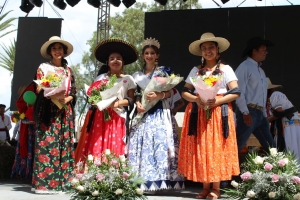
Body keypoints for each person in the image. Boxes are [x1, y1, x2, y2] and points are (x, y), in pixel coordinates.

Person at [178, 32, 240, 199]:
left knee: (216, 147)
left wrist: (217, 101)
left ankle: (216, 188)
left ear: (217, 50)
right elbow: (185, 92)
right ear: (201, 52)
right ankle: (205, 187)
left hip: (218, 112)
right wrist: (197, 99)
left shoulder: (225, 69)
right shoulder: (196, 70)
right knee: (203, 148)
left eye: (211, 47)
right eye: (204, 48)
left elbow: (236, 92)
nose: (208, 51)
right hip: (199, 113)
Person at [128, 37, 185, 191]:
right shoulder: (137, 75)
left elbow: (172, 93)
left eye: (152, 53)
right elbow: (137, 94)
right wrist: (138, 103)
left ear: (157, 55)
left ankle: (163, 181)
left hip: (161, 112)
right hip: (144, 114)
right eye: (146, 53)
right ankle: (143, 180)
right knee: (142, 144)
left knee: (161, 144)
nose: (149, 55)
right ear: (143, 55)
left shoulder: (163, 72)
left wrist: (159, 96)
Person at [77, 39, 137, 162]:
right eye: (112, 58)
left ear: (123, 62)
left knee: (116, 143)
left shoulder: (128, 79)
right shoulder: (101, 78)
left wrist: (117, 103)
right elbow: (92, 98)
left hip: (118, 117)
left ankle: (114, 174)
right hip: (101, 117)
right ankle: (97, 171)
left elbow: (131, 100)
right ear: (108, 62)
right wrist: (96, 101)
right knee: (98, 143)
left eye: (119, 58)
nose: (115, 61)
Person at [32, 36, 76, 193]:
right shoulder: (43, 67)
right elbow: (39, 88)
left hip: (64, 111)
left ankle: (64, 183)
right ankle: (45, 184)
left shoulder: (68, 70)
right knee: (47, 144)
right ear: (50, 52)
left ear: (64, 52)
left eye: (60, 48)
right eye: (54, 48)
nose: (57, 51)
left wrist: (67, 98)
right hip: (48, 111)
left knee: (65, 144)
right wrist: (53, 94)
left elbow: (73, 91)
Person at [235, 36, 275, 153]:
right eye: (263, 50)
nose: (266, 53)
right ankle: (227, 170)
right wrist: (245, 112)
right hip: (249, 111)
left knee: (270, 145)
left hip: (259, 113)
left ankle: (277, 169)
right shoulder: (244, 67)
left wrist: (263, 114)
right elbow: (238, 91)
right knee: (238, 144)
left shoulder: (260, 70)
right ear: (254, 51)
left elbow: (261, 94)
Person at [266, 78, 300, 163]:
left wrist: (267, 120)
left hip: (289, 124)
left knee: (291, 145)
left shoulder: (275, 95)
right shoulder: (269, 99)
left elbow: (279, 112)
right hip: (285, 124)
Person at [11, 83, 36, 180]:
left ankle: (29, 172)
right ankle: (23, 172)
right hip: (27, 129)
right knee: (26, 146)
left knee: (31, 148)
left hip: (33, 129)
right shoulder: (22, 104)